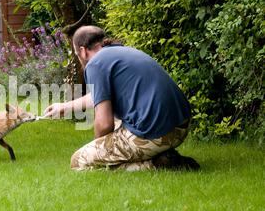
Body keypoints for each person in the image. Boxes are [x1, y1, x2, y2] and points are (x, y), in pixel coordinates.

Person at [44, 26, 200, 171]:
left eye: (77, 55)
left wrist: (101, 148)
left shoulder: (95, 64)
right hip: (180, 125)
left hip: (157, 134)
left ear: (83, 51)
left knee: (79, 161)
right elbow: (100, 95)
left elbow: (105, 124)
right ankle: (162, 154)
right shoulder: (118, 52)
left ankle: (158, 164)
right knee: (117, 118)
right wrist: (65, 107)